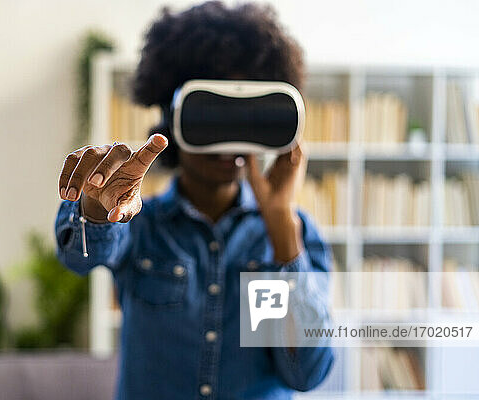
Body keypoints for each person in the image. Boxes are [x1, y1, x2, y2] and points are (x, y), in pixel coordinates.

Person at [55, 2, 334, 398]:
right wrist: (97, 210)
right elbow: (79, 256)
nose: (227, 142)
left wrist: (281, 230)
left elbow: (304, 373)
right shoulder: (139, 224)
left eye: (244, 117)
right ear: (173, 117)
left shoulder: (292, 233)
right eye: (212, 113)